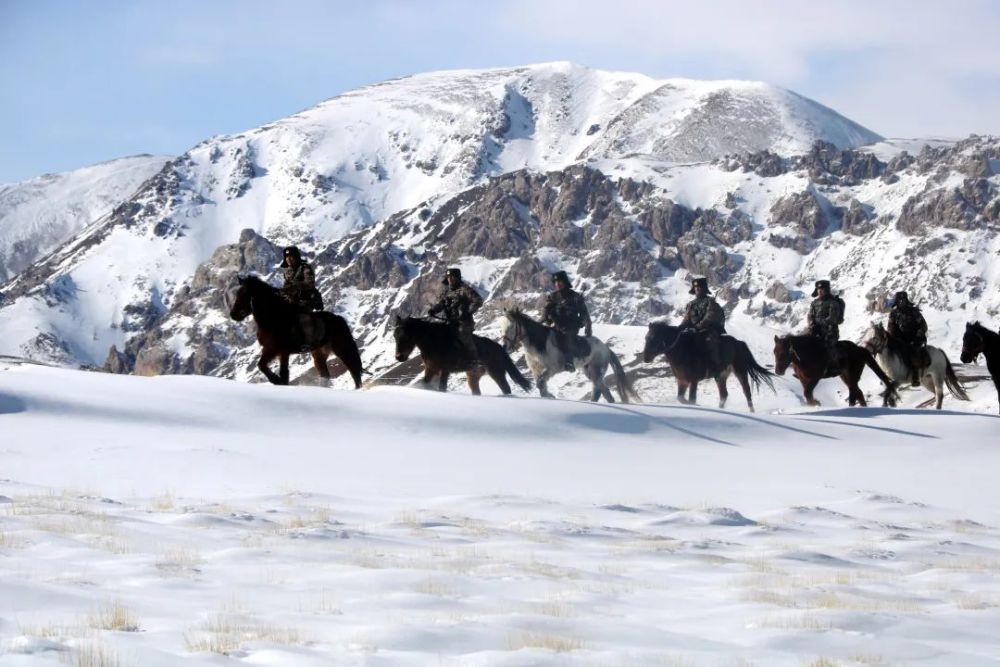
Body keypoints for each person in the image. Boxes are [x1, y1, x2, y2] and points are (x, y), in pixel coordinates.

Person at [428, 267, 484, 368]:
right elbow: (440, 304)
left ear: (457, 278)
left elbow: (478, 300)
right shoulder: (446, 292)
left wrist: (467, 312)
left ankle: (474, 360)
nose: (450, 279)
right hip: (449, 322)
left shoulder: (464, 289)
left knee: (462, 333)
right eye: (448, 277)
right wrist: (433, 310)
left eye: (452, 277)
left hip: (464, 322)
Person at [542, 270, 592, 371]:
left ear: (564, 282)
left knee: (567, 337)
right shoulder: (552, 297)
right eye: (555, 283)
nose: (557, 284)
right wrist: (547, 318)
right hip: (557, 325)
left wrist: (588, 326)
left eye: (559, 282)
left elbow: (584, 313)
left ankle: (569, 363)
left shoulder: (575, 296)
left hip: (571, 327)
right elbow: (546, 312)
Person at [679, 277, 726, 373]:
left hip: (708, 330)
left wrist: (697, 327)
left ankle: (716, 367)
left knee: (709, 341)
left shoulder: (710, 302)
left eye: (699, 288)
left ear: (704, 289)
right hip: (694, 330)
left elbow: (709, 317)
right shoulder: (690, 304)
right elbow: (687, 318)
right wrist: (679, 328)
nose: (697, 290)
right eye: (696, 289)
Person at [887, 290, 928, 385]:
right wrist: (892, 337)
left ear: (906, 300)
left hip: (915, 339)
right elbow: (890, 327)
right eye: (899, 300)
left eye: (903, 300)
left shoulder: (914, 311)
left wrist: (918, 335)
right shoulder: (893, 313)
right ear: (896, 301)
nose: (901, 302)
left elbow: (923, 325)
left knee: (913, 353)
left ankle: (915, 377)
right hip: (900, 340)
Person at [807, 279, 846, 373]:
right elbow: (810, 315)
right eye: (818, 290)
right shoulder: (814, 303)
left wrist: (816, 322)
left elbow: (832, 319)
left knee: (828, 347)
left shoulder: (833, 303)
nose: (819, 292)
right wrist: (811, 323)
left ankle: (834, 367)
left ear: (827, 290)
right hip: (815, 330)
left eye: (822, 290)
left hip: (830, 332)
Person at [280, 246, 322, 312]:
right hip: (292, 300)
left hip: (305, 300)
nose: (289, 259)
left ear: (296, 257)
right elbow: (286, 287)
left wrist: (294, 287)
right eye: (287, 257)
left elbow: (309, 284)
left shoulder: (305, 268)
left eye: (291, 256)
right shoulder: (288, 272)